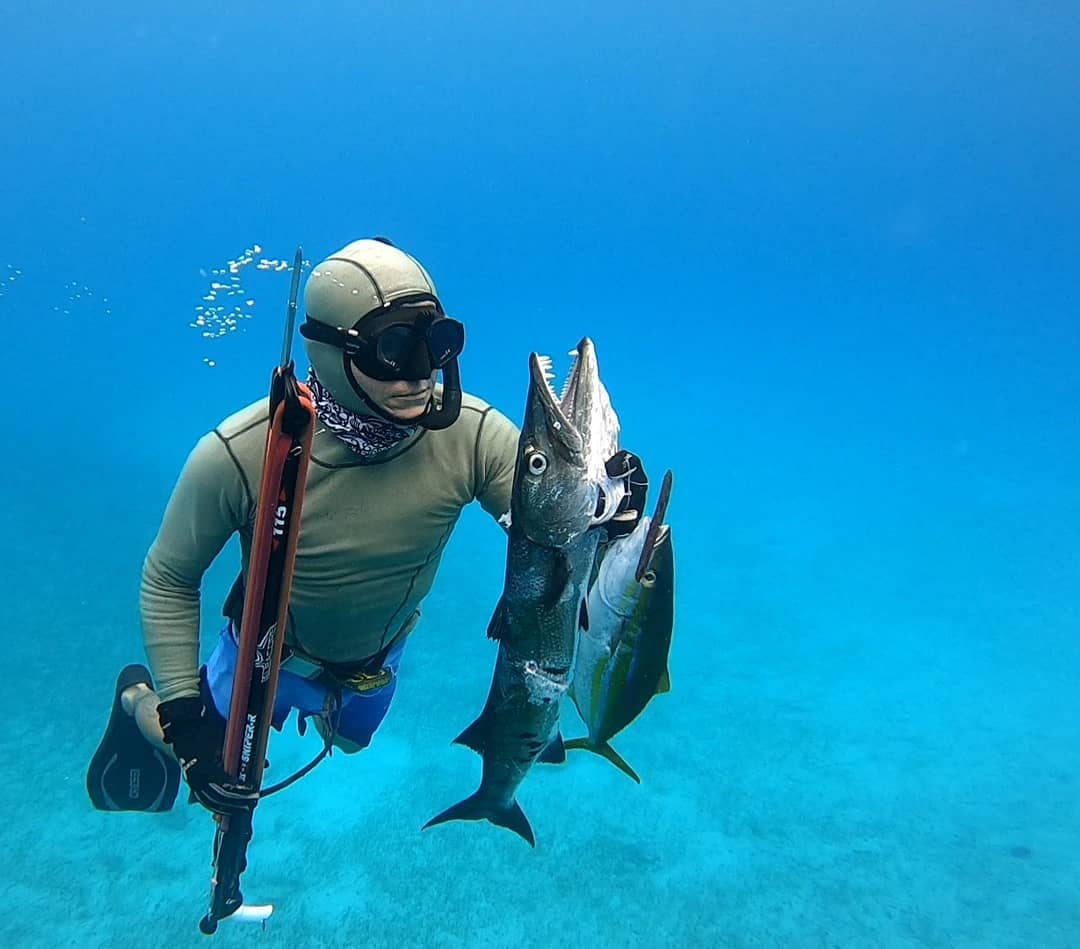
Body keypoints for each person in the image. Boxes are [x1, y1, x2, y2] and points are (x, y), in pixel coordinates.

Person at [86, 237, 646, 817]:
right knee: (208, 758)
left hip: (374, 664)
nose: (420, 372)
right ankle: (135, 698)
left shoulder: (473, 437)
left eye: (435, 345)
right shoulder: (240, 454)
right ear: (332, 352)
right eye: (394, 349)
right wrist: (182, 714)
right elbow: (169, 578)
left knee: (351, 744)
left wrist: (610, 512)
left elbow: (551, 528)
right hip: (266, 652)